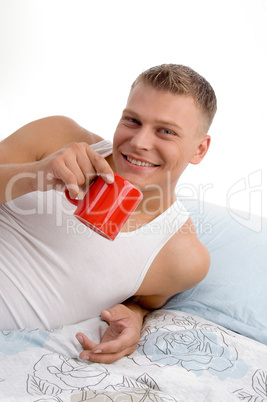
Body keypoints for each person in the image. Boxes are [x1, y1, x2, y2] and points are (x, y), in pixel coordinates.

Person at [0, 64, 217, 363]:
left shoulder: (182, 257)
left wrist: (135, 315)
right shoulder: (56, 136)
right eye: (132, 120)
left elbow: (140, 299)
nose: (139, 142)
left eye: (165, 131)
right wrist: (36, 175)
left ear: (199, 150)